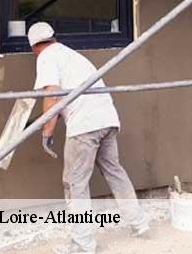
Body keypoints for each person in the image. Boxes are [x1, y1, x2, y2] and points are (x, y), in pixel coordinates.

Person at [28, 22, 149, 254]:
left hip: (84, 128)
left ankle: (83, 244)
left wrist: (47, 132)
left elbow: (52, 95)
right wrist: (44, 120)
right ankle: (139, 223)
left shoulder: (46, 57)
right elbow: (68, 99)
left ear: (34, 46)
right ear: (53, 37)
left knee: (75, 184)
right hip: (107, 119)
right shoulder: (72, 56)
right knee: (115, 172)